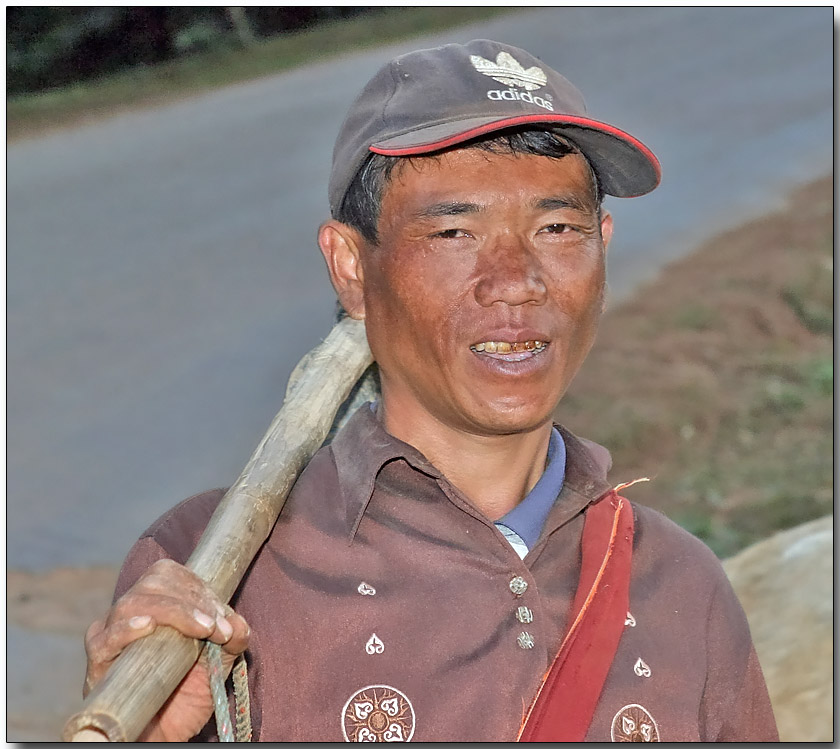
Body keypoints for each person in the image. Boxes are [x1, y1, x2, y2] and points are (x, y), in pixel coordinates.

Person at [83, 40, 778, 742]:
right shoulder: (212, 578)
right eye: (454, 230)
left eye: (558, 227)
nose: (516, 279)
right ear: (352, 267)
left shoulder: (684, 587)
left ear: (603, 244)